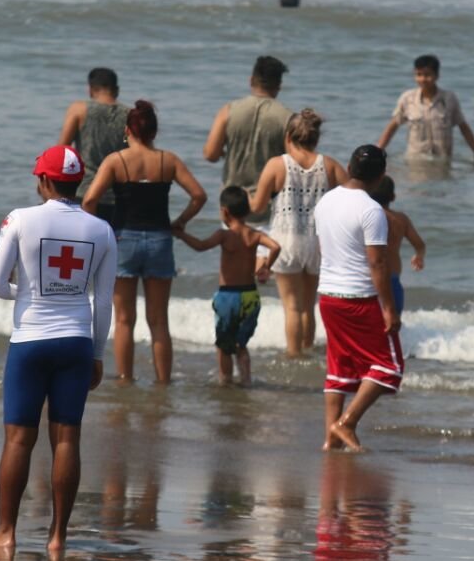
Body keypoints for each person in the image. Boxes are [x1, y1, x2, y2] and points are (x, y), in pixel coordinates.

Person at [0, 145, 118, 552]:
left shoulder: (21, 220)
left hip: (31, 341)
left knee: (19, 439)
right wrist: (97, 355)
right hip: (75, 342)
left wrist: (29, 293)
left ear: (44, 181)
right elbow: (103, 302)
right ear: (78, 183)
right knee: (67, 439)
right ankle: (58, 537)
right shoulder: (101, 230)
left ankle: (7, 533)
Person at [83, 100, 207, 382]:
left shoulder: (116, 161)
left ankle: (126, 379)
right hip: (160, 240)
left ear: (128, 130)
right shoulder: (168, 160)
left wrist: (101, 230)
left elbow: (90, 200)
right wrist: (180, 222)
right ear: (154, 131)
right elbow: (199, 196)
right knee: (159, 320)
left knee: (125, 319)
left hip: (123, 238)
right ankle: (163, 381)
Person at [315, 144, 403, 452]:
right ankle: (347, 423)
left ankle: (330, 439)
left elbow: (324, 248)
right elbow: (377, 263)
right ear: (380, 177)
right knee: (389, 367)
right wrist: (389, 309)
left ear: (350, 167)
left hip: (327, 295)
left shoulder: (326, 200)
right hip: (359, 299)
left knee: (339, 369)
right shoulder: (370, 209)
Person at [251, 108, 348, 357]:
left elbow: (258, 207)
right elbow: (352, 196)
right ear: (316, 139)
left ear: (288, 137)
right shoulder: (330, 165)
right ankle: (307, 350)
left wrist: (243, 198)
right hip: (317, 243)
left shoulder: (276, 165)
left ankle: (294, 356)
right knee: (308, 307)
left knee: (292, 307)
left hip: (285, 241)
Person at [173, 186, 281, 385]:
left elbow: (200, 246)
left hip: (228, 297)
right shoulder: (254, 235)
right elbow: (276, 246)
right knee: (241, 344)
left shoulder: (224, 236)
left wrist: (181, 235)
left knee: (224, 345)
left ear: (224, 211)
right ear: (248, 211)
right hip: (250, 296)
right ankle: (246, 380)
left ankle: (226, 380)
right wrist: (266, 266)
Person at [204, 55, 292, 222]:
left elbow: (210, 154)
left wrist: (225, 152)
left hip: (232, 207)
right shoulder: (287, 118)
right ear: (279, 85)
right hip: (268, 210)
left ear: (251, 80)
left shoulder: (228, 111)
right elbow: (292, 166)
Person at [377, 54, 474, 163]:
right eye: (419, 74)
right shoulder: (407, 98)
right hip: (415, 161)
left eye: (427, 75)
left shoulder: (449, 98)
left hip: (442, 161)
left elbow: (463, 127)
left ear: (437, 75)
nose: (423, 79)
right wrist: (379, 150)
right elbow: (393, 126)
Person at [57, 67, 130, 224]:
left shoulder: (79, 110)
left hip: (83, 192)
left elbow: (62, 150)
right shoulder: (129, 115)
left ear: (90, 89)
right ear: (116, 90)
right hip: (117, 197)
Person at [368, 175, 426, 314]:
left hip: (368, 280)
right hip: (392, 281)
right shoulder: (401, 219)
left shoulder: (366, 216)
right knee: (393, 325)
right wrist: (419, 256)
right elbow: (420, 244)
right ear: (393, 197)